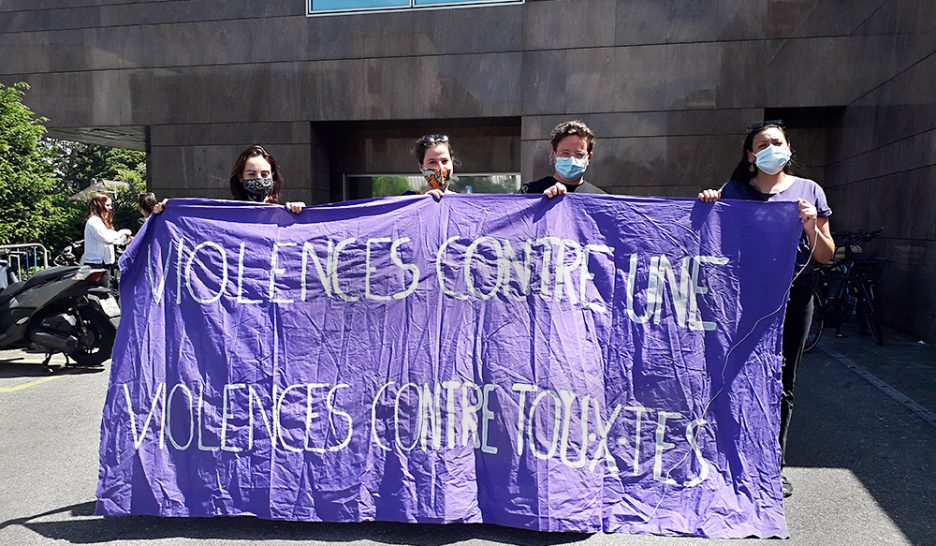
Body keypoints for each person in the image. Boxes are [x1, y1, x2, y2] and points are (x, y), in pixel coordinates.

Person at [698, 120, 835, 498]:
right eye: (763, 143)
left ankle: (772, 464)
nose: (771, 147)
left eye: (778, 141)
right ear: (750, 154)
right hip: (745, 302)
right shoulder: (736, 192)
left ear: (788, 147)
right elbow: (712, 241)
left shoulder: (809, 191)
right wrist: (710, 203)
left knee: (782, 382)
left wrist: (811, 226)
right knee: (731, 375)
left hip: (795, 299)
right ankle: (727, 456)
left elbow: (825, 255)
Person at [153, 145, 305, 214]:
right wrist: (169, 212)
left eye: (264, 174)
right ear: (241, 177)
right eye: (251, 174)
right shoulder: (226, 216)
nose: (259, 179)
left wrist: (302, 215)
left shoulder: (285, 215)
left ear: (273, 176)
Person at [520, 120, 606, 198]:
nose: (572, 160)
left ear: (589, 157)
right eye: (565, 153)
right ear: (554, 155)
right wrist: (542, 202)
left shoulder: (601, 200)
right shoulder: (529, 192)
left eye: (579, 154)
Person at [81, 193, 132, 287]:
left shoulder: (101, 222)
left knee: (111, 292)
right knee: (103, 294)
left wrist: (123, 240)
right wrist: (123, 232)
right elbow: (107, 239)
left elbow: (112, 239)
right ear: (99, 206)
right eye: (107, 205)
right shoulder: (93, 221)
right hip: (96, 265)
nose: (110, 208)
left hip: (106, 264)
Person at [409, 134, 458, 199]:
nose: (440, 167)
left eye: (444, 161)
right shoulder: (407, 201)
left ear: (452, 162)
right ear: (421, 166)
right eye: (432, 162)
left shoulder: (464, 203)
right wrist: (424, 201)